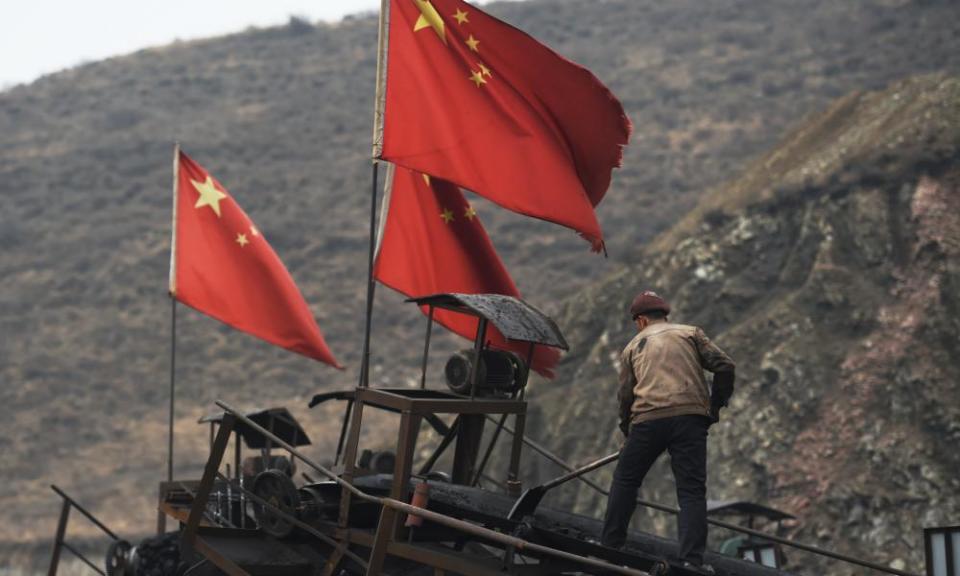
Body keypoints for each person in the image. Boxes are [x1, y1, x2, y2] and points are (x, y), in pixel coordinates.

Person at [601, 290, 735, 573]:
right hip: (690, 419)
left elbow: (625, 397)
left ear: (640, 321)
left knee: (626, 479)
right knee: (691, 492)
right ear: (665, 315)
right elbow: (725, 365)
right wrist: (716, 405)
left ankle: (611, 546)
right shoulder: (690, 334)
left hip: (648, 419)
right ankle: (691, 560)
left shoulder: (633, 346)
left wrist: (628, 431)